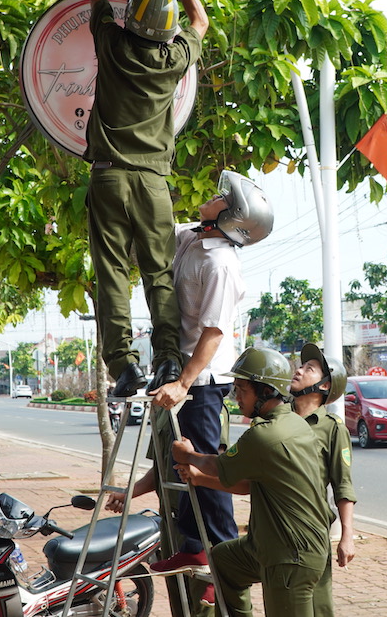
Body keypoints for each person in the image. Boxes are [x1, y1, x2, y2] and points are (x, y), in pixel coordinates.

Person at [81, 0, 209, 397]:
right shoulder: (175, 58)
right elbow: (200, 18)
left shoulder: (112, 44)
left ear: (131, 19)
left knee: (112, 270)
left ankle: (124, 366)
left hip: (108, 177)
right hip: (154, 183)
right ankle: (170, 359)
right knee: (159, 272)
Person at [146, 171, 274, 605]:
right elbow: (155, 227)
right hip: (179, 372)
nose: (212, 197)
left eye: (223, 198)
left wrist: (183, 384)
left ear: (234, 218)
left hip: (201, 381)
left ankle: (217, 555)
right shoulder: (193, 239)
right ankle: (190, 547)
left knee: (206, 470)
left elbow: (214, 332)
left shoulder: (221, 263)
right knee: (182, 468)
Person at [172, 347, 332, 617]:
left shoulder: (265, 436)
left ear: (266, 391)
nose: (236, 397)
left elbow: (217, 465)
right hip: (265, 545)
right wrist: (199, 479)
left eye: (242, 389)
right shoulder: (295, 424)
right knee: (222, 560)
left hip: (291, 554)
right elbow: (247, 484)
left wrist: (188, 455)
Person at [290, 344, 357, 616]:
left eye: (309, 369)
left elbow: (343, 485)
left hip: (312, 531)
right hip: (273, 528)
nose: (298, 370)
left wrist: (346, 536)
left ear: (325, 385)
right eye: (301, 365)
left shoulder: (332, 428)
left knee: (318, 606)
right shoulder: (274, 418)